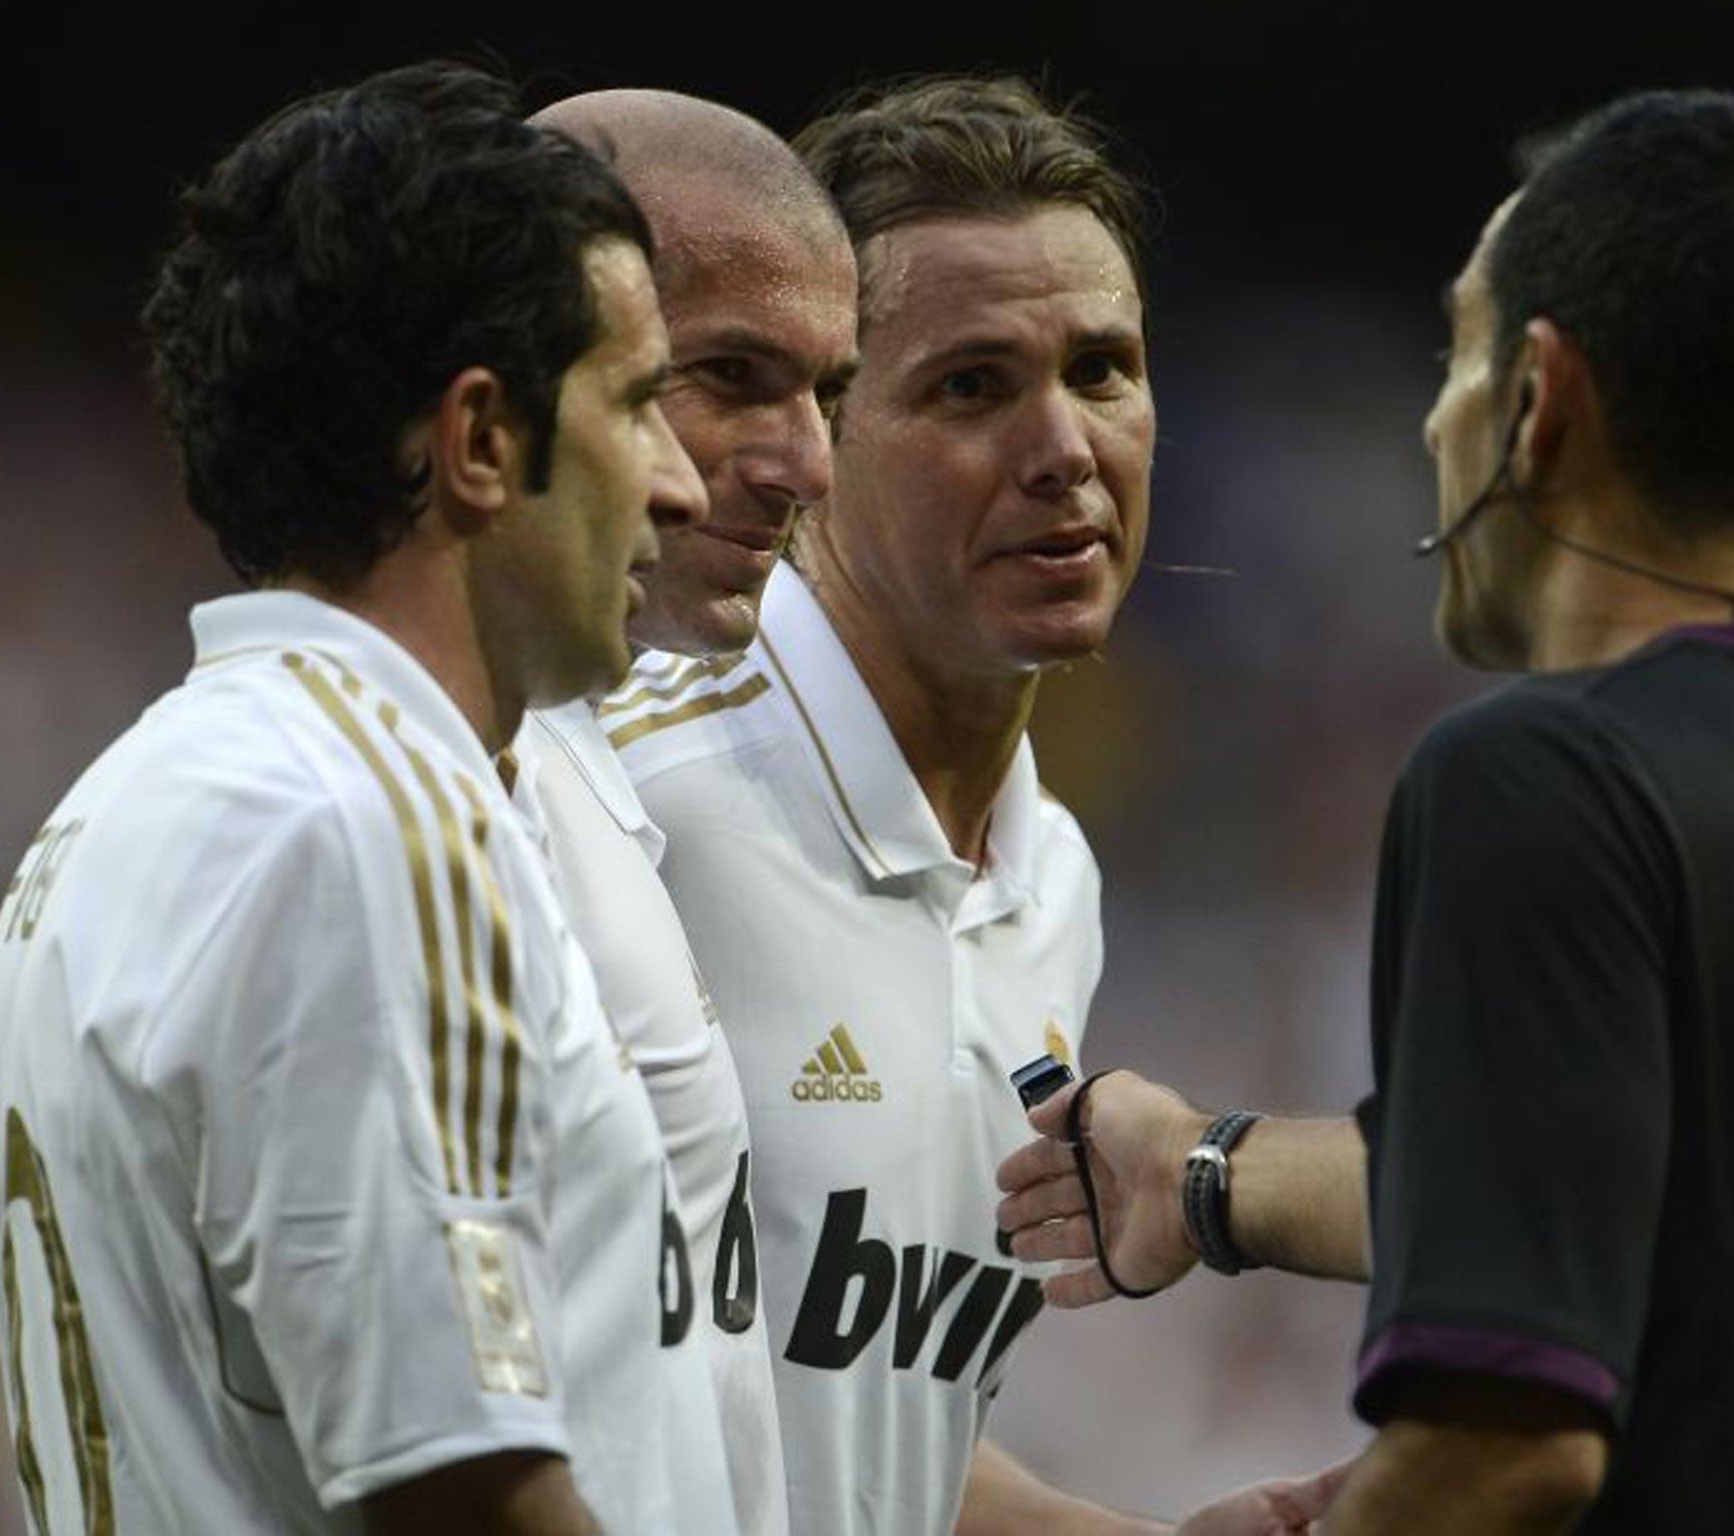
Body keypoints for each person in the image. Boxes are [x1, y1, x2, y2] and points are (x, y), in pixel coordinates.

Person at [997, 88, 1734, 1533]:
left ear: (1542, 397)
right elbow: (1660, 1256)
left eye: (1457, 352)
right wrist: (1208, 1174)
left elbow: (1509, 1448)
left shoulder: (1534, 777)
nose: (1432, 415)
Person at [0, 61, 742, 1534]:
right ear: (480, 441)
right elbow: (463, 1483)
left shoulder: (117, 813)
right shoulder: (372, 824)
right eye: (638, 404)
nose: (682, 482)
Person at [605, 74, 1333, 1536]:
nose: (1065, 448)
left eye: (1105, 369)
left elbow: (867, 1437)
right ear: (819, 437)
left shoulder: (1049, 877)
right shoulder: (631, 808)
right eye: (971, 387)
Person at [511, 85, 862, 1536]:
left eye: (827, 394)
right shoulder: (406, 816)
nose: (805, 467)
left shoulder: (577, 769)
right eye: (730, 376)